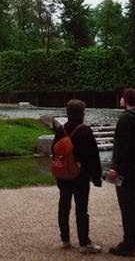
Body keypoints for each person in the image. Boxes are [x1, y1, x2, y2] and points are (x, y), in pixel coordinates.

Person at [52, 99, 102, 254]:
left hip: (64, 175)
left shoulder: (61, 129)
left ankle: (65, 240)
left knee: (64, 206)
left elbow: (55, 151)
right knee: (81, 209)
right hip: (80, 176)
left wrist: (60, 167)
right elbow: (93, 157)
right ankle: (84, 242)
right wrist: (96, 177)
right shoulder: (85, 130)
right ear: (81, 113)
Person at [108, 88, 135, 257]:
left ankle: (128, 244)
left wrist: (116, 168)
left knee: (128, 207)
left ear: (124, 101)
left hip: (127, 171)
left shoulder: (126, 119)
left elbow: (123, 148)